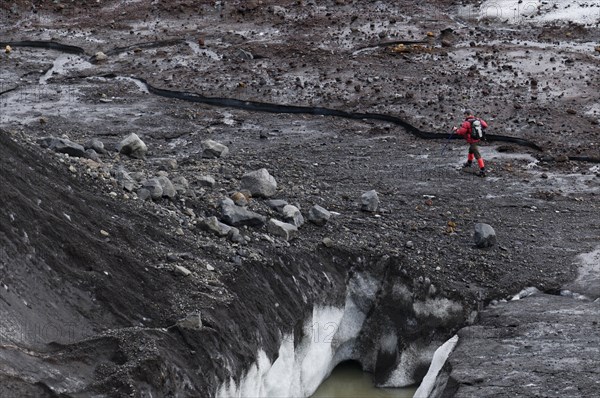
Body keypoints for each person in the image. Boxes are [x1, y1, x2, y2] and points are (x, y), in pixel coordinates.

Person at [453, 109, 488, 177]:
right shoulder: (478, 120)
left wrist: (456, 130)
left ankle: (482, 170)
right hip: (477, 138)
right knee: (471, 150)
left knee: (477, 155)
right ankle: (469, 163)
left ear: (466, 114)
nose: (464, 116)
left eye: (464, 115)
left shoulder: (466, 123)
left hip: (472, 140)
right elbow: (485, 125)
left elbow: (461, 132)